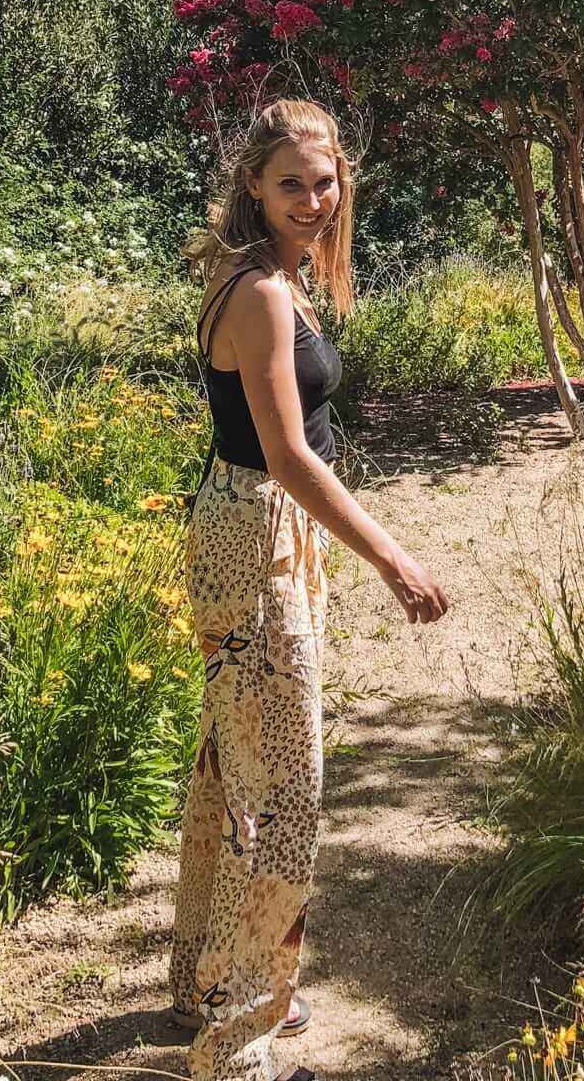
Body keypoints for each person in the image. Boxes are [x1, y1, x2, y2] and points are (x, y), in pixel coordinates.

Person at [166, 98, 449, 1081]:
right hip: (259, 537)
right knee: (283, 795)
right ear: (254, 184)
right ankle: (237, 1045)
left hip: (251, 532)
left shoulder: (267, 276)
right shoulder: (262, 294)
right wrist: (394, 558)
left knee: (231, 766)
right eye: (292, 183)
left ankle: (203, 985)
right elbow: (287, 457)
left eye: (326, 182)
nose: (315, 200)